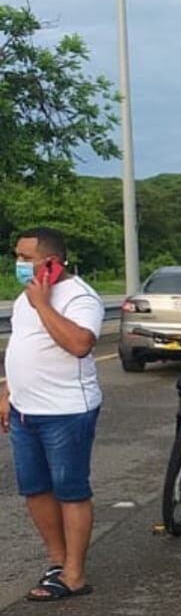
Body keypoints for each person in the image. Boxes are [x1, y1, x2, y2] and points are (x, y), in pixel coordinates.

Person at [1, 227, 104, 602]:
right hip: (25, 410)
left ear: (52, 263)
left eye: (26, 258)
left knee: (70, 491)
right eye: (18, 257)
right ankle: (58, 563)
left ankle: (75, 574)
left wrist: (44, 304)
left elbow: (79, 344)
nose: (19, 265)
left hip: (66, 411)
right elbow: (22, 345)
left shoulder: (80, 297)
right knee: (35, 490)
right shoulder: (25, 296)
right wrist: (8, 390)